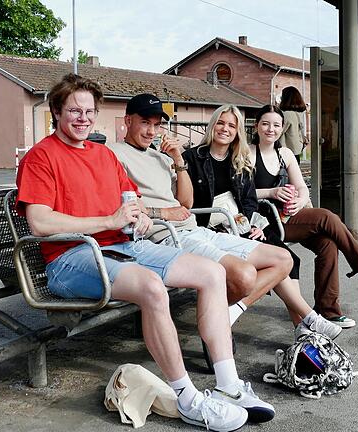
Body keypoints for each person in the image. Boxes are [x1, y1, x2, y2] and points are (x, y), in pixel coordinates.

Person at [16, 74, 274, 430]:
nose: (83, 118)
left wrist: (136, 216)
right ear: (57, 112)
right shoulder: (41, 156)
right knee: (152, 287)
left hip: (122, 245)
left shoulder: (102, 154)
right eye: (74, 110)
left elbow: (130, 199)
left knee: (211, 272)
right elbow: (40, 223)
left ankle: (228, 385)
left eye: (89, 111)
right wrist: (109, 218)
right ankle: (187, 398)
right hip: (70, 258)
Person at [109, 95, 338, 340]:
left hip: (206, 227)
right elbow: (124, 203)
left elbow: (188, 203)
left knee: (284, 259)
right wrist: (163, 212)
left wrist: (177, 161)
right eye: (145, 123)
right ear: (127, 121)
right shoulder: (114, 154)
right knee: (246, 273)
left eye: (156, 125)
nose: (151, 131)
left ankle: (234, 312)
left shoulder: (168, 157)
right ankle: (302, 321)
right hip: (182, 231)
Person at [183, 105, 346, 338]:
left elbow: (248, 201)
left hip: (240, 225)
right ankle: (308, 322)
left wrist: (252, 224)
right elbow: (187, 204)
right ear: (212, 125)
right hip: (209, 228)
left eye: (231, 125)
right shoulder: (193, 157)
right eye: (221, 123)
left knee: (289, 259)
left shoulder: (239, 159)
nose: (225, 129)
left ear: (238, 130)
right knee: (277, 260)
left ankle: (302, 327)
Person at [249, 105, 358, 327]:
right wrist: (271, 192)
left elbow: (302, 188)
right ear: (256, 126)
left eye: (276, 125)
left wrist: (299, 202)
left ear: (282, 128)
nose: (270, 129)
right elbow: (241, 192)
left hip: (289, 216)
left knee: (327, 243)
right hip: (266, 223)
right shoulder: (247, 154)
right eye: (265, 124)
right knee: (326, 217)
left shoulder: (285, 155)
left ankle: (328, 311)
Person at [278, 86, 308, 163]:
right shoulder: (299, 113)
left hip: (286, 151)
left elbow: (278, 131)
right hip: (296, 150)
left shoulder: (287, 114)